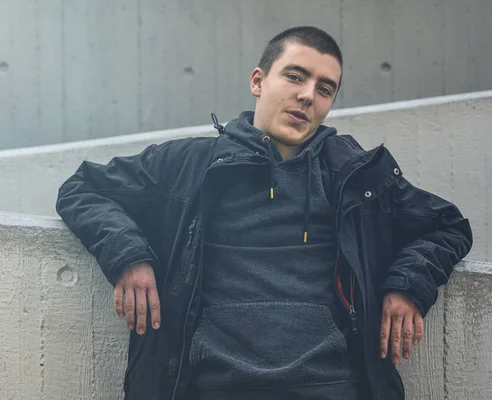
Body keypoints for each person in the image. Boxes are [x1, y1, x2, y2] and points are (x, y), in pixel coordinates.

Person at [55, 26, 472, 400]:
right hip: (210, 386)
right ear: (258, 81)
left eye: (325, 89)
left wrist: (407, 285)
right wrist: (129, 255)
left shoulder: (353, 175)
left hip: (333, 387)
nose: (308, 95)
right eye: (295, 76)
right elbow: (81, 189)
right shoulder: (189, 165)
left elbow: (447, 226)